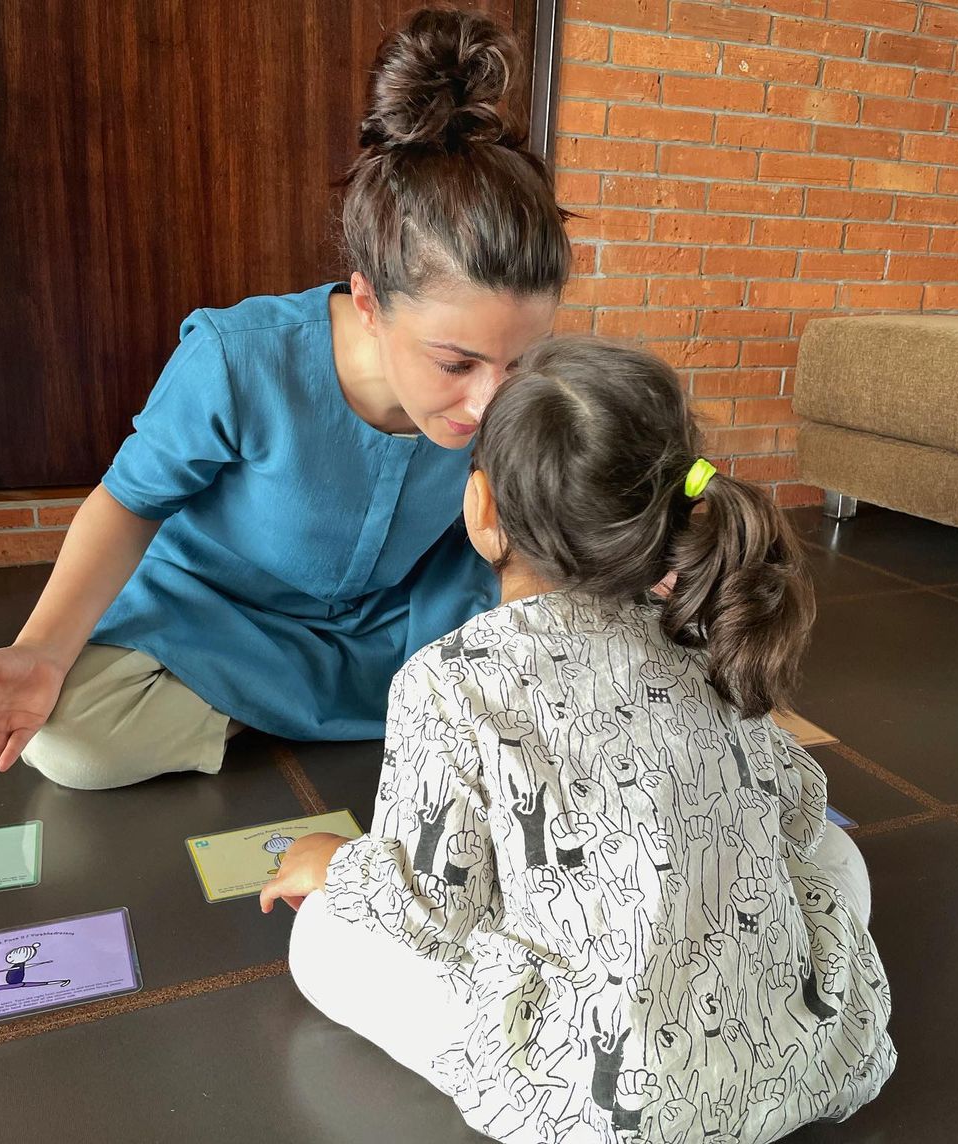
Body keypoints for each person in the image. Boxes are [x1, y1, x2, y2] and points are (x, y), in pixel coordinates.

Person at [262, 337, 896, 1144]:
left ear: (482, 510)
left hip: (602, 1104)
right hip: (790, 1061)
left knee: (324, 940)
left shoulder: (448, 681)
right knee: (840, 864)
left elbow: (433, 912)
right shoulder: (711, 640)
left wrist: (338, 864)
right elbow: (799, 816)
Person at [0, 8, 569, 791]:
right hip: (222, 617)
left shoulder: (510, 391)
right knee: (69, 740)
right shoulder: (239, 359)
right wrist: (40, 653)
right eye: (455, 363)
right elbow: (128, 505)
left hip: (395, 619)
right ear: (370, 303)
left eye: (522, 360)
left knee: (581, 650)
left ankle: (284, 707)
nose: (490, 403)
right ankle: (314, 704)